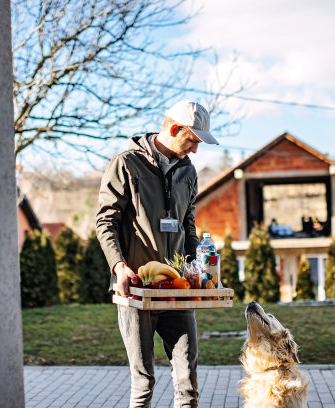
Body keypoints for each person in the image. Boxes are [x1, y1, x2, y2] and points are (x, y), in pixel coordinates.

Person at [96, 100, 219, 408]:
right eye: (192, 141)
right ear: (174, 128)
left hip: (177, 290)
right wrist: (119, 267)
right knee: (143, 382)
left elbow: (187, 224)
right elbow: (105, 221)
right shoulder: (125, 164)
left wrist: (199, 270)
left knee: (187, 381)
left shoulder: (188, 172)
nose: (195, 151)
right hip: (136, 288)